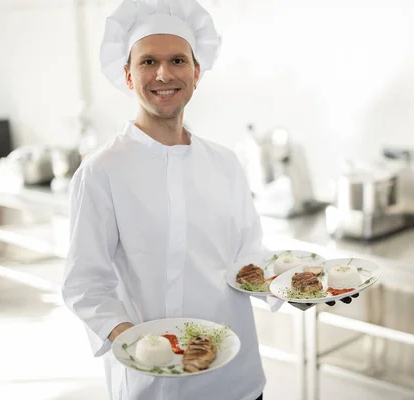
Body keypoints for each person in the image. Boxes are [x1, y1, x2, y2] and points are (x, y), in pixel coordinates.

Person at [61, 1, 355, 399]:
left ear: (196, 73)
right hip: (154, 384)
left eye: (177, 60)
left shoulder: (226, 163)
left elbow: (248, 257)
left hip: (236, 380)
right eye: (148, 62)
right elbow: (85, 284)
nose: (164, 73)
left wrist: (294, 290)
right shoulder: (101, 172)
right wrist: (135, 343)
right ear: (128, 76)